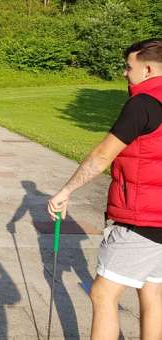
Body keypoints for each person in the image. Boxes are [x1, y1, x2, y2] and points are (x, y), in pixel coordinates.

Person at [47, 38, 162, 340]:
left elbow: (101, 156)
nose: (125, 73)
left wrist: (66, 191)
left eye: (129, 67)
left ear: (148, 69)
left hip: (141, 219)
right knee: (152, 293)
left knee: (102, 295)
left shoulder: (142, 104)